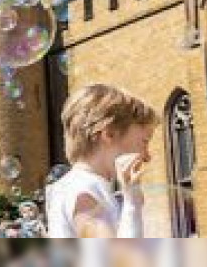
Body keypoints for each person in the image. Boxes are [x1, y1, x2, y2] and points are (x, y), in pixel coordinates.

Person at [46, 84, 158, 238]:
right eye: (144, 142)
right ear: (109, 134)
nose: (147, 156)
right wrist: (133, 203)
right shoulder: (82, 192)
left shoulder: (85, 186)